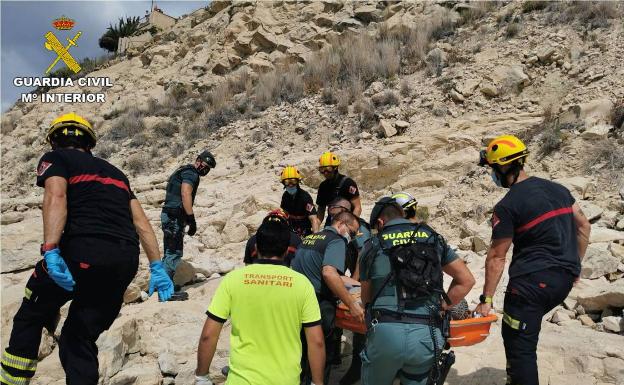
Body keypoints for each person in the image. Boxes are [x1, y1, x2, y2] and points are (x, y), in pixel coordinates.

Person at [0, 113, 174, 385]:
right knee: (78, 337)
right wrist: (156, 266)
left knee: (30, 315)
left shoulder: (55, 159)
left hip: (80, 252)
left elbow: (56, 196)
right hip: (123, 263)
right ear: (90, 144)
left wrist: (51, 249)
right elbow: (141, 223)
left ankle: (11, 381)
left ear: (54, 141)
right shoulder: (117, 173)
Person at [475, 135, 591, 385]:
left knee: (519, 345)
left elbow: (496, 256)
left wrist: (486, 300)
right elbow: (583, 227)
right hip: (563, 281)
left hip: (530, 285)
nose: (492, 175)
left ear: (503, 167)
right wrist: (575, 265)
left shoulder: (507, 206)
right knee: (526, 331)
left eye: (493, 169)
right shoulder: (559, 189)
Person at [194, 216, 326, 385]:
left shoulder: (233, 280)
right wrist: (317, 382)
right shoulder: (302, 284)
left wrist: (202, 376)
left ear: (256, 247)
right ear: (287, 250)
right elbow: (316, 341)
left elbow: (208, 335)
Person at [359, 197, 475, 385]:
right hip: (427, 334)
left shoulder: (372, 245)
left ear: (380, 222)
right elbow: (466, 280)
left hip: (386, 334)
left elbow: (366, 299)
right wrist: (443, 306)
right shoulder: (433, 237)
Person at [291, 212, 365, 385]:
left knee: (300, 350)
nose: (352, 238)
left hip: (295, 301)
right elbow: (329, 273)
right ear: (341, 224)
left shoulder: (312, 238)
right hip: (318, 305)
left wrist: (357, 285)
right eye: (352, 233)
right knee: (321, 351)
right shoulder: (336, 241)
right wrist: (352, 304)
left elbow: (326, 271)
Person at [161, 150, 216, 279]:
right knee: (174, 252)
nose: (205, 170)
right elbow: (185, 193)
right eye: (204, 166)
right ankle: (166, 287)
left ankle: (162, 283)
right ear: (198, 161)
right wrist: (191, 220)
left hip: (168, 214)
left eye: (208, 169)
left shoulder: (183, 170)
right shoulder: (191, 173)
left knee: (168, 251)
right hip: (175, 217)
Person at [316, 152, 361, 225]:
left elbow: (357, 207)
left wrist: (351, 224)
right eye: (322, 169)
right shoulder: (323, 186)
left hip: (348, 220)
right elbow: (321, 210)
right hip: (331, 221)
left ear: (335, 167)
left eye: (328, 169)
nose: (325, 172)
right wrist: (316, 226)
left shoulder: (348, 183)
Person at [279, 166, 321, 237]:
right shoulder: (285, 196)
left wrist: (315, 237)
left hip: (305, 231)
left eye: (293, 181)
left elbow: (313, 219)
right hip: (290, 229)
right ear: (283, 183)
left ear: (298, 181)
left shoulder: (305, 197)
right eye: (287, 182)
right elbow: (283, 212)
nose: (290, 185)